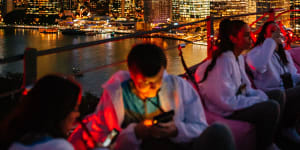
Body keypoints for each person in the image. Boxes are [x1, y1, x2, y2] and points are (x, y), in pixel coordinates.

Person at [68, 43, 236, 150]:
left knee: (220, 132)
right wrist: (135, 134)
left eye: (158, 82)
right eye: (145, 84)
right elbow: (104, 141)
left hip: (180, 145)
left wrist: (177, 130)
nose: (153, 88)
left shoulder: (180, 87)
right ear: (132, 75)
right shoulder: (116, 96)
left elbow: (200, 126)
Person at [194, 19, 282, 150]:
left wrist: (258, 96)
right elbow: (226, 101)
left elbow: (246, 87)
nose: (250, 38)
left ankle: (279, 137)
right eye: (246, 35)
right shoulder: (222, 62)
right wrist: (258, 100)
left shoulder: (238, 58)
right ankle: (265, 145)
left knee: (277, 95)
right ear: (233, 39)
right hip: (227, 110)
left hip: (238, 101)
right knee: (271, 107)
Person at [246, 21, 300, 143]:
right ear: (265, 36)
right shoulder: (255, 53)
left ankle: (289, 127)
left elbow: (293, 76)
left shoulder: (284, 54)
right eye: (272, 31)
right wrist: (270, 43)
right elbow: (259, 66)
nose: (277, 34)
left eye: (278, 31)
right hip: (272, 93)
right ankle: (287, 128)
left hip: (287, 89)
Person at [0, 75, 82, 150]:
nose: (78, 114)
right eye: (75, 108)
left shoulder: (14, 143)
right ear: (60, 111)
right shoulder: (58, 146)